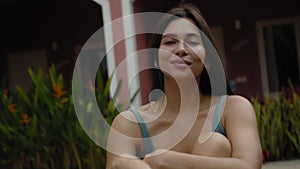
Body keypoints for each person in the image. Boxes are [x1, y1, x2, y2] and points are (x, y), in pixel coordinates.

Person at [106, 3, 263, 169]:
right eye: (170, 42)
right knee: (123, 163)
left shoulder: (233, 108)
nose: (181, 49)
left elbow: (250, 166)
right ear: (155, 59)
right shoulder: (129, 123)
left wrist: (165, 160)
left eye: (193, 42)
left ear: (208, 60)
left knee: (214, 144)